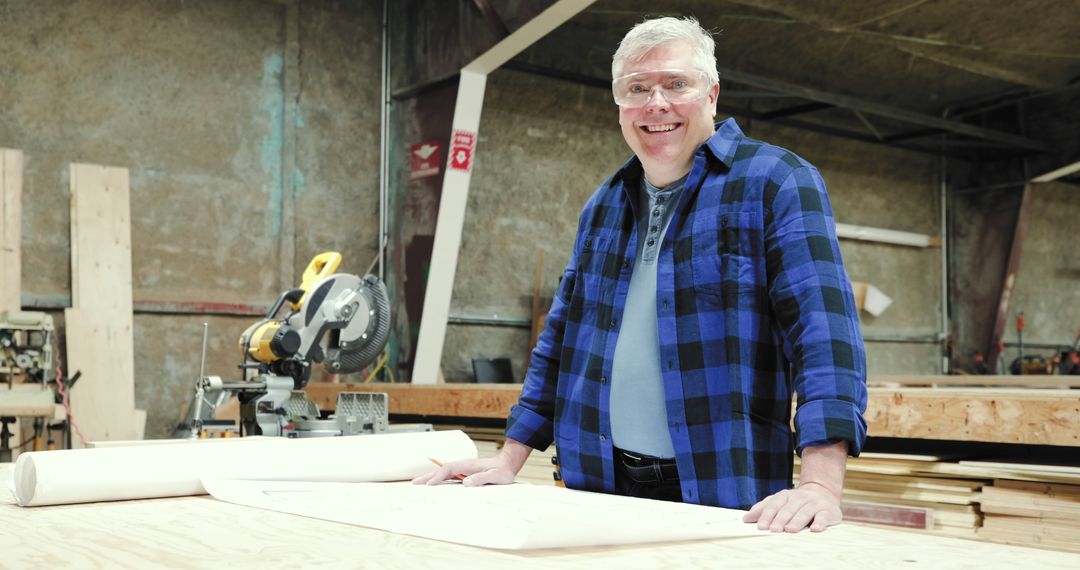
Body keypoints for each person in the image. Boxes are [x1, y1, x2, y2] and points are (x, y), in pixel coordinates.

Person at [415, 15, 868, 534]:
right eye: (637, 88)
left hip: (722, 486)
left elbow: (824, 334)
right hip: (598, 482)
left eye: (676, 84)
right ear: (620, 105)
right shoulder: (604, 205)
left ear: (712, 95)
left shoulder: (777, 182)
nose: (657, 103)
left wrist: (819, 485)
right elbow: (561, 340)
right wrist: (509, 455)